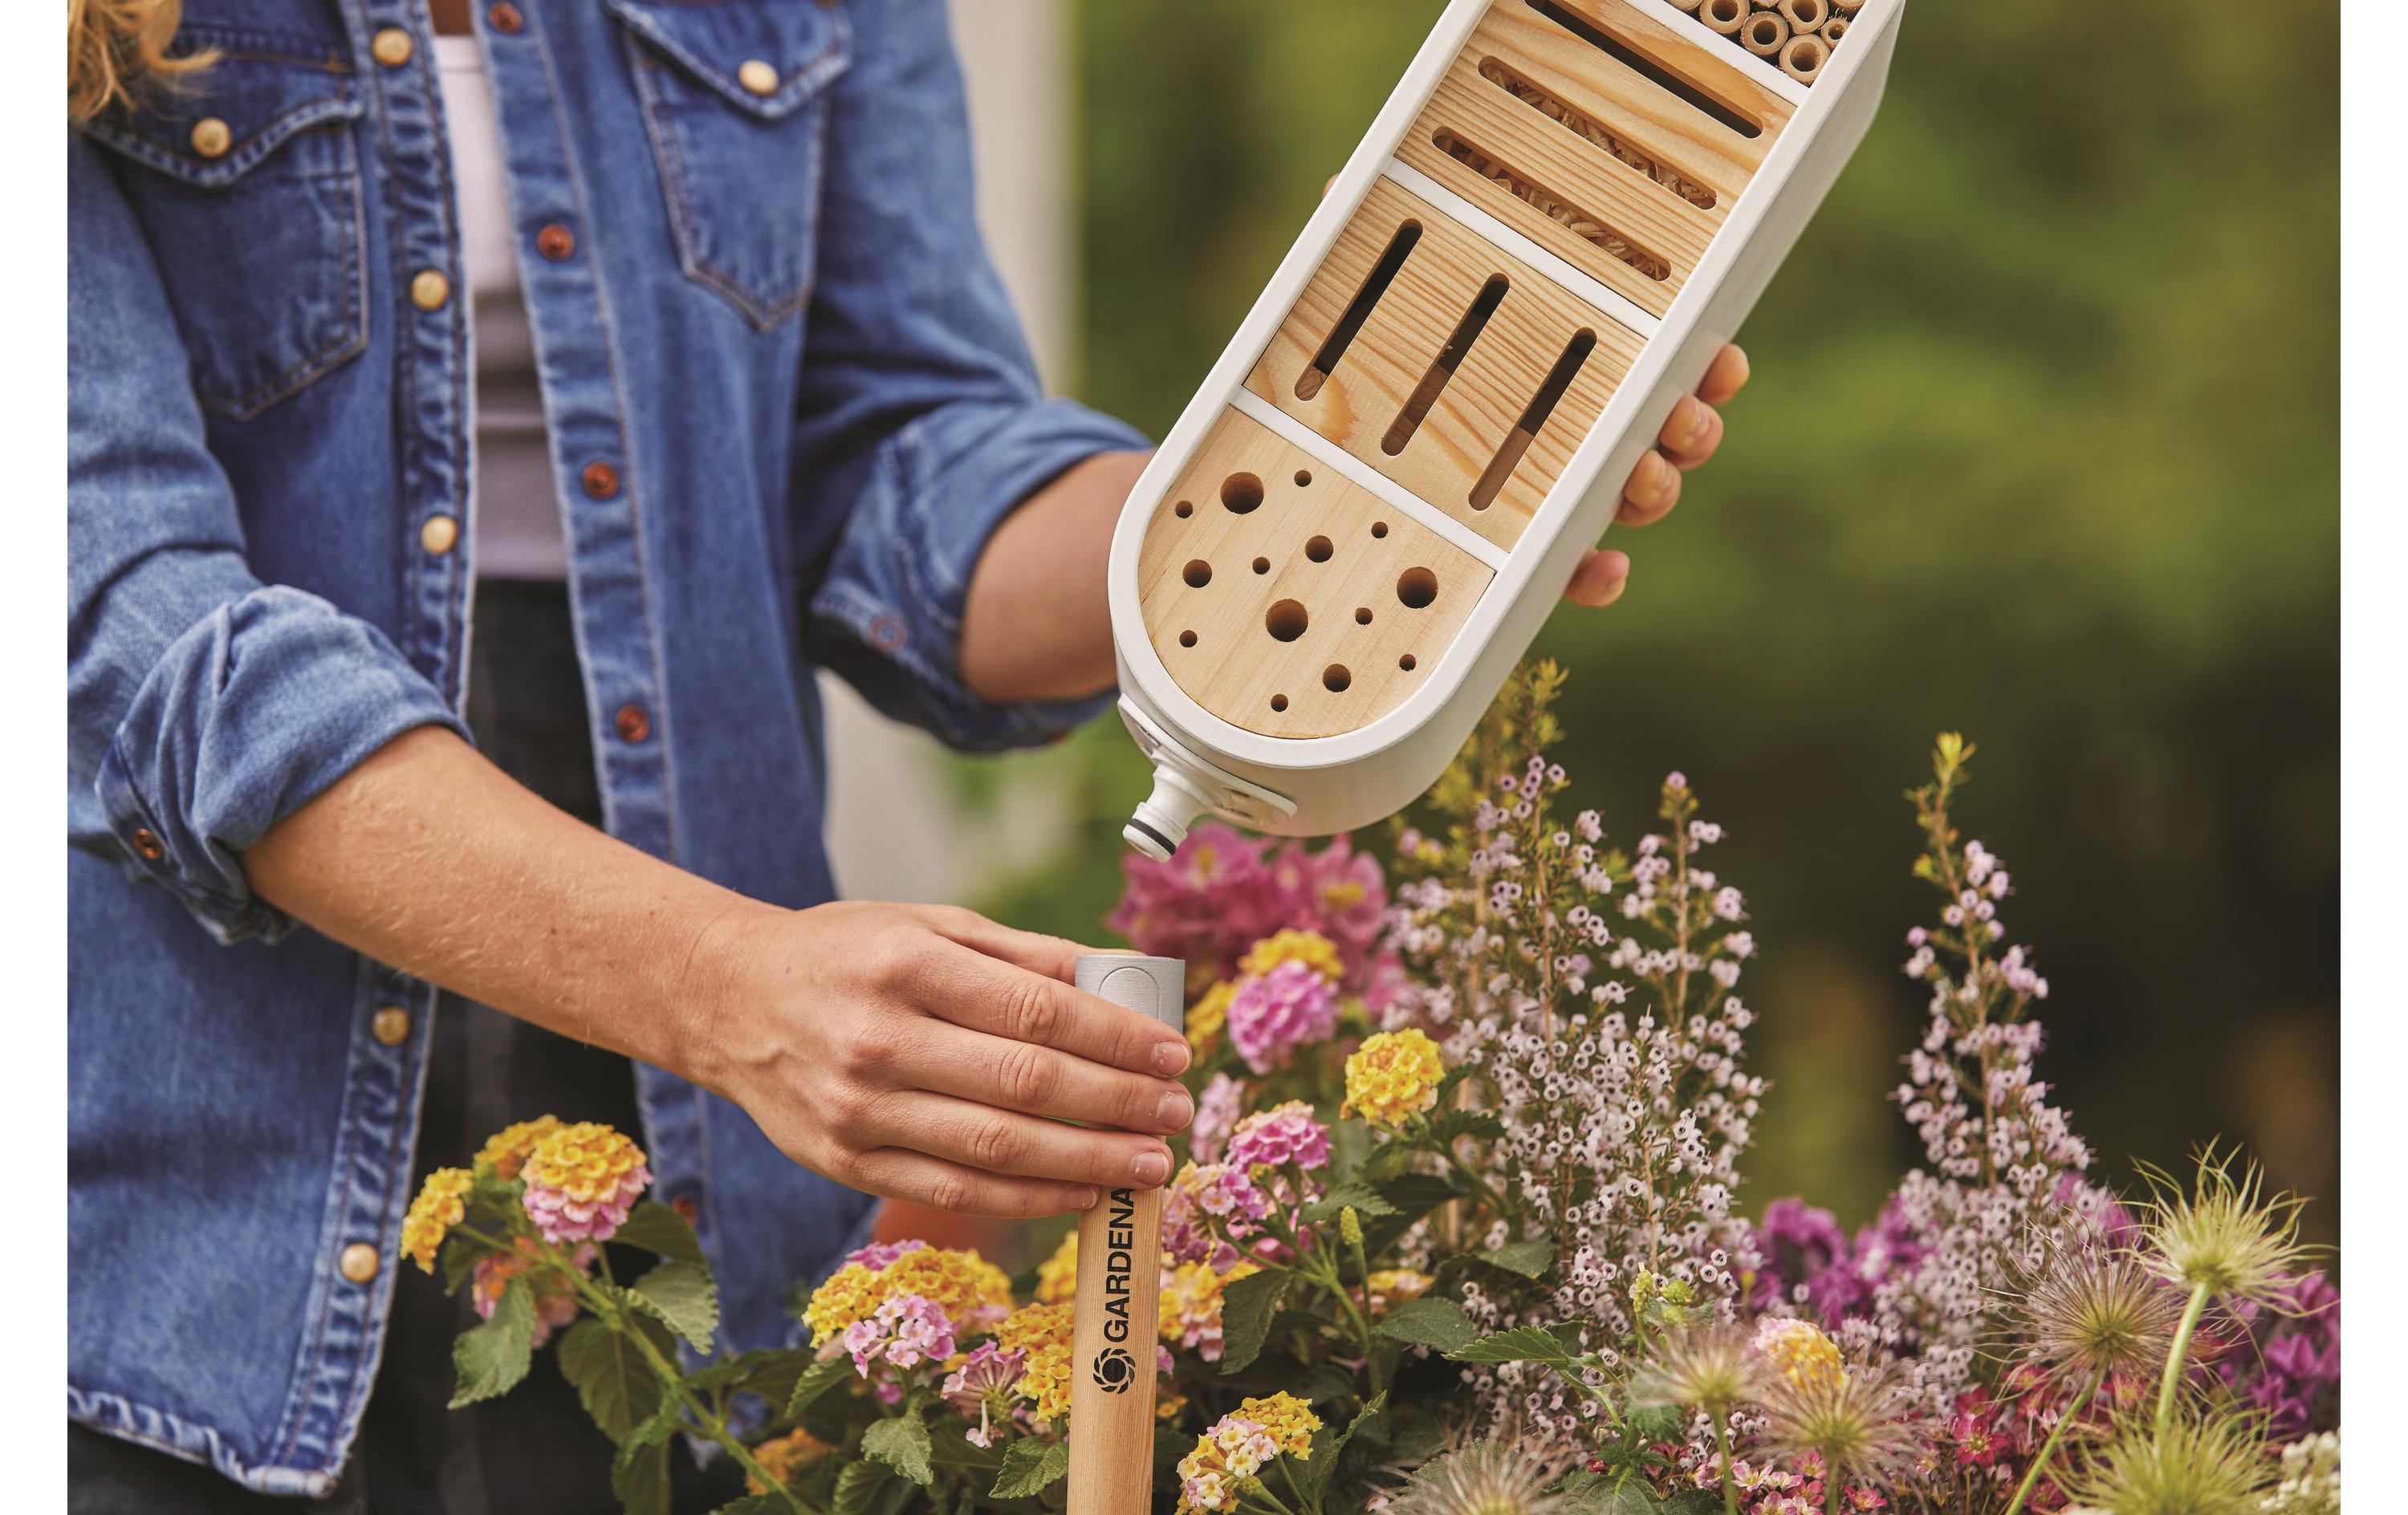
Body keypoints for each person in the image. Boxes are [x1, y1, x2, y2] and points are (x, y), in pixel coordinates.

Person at [65, 0, 1750, 1508]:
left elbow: (897, 446)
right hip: (175, 1205)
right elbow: (128, 627)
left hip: (702, 1198)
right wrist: (737, 989)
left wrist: (1290, 505)